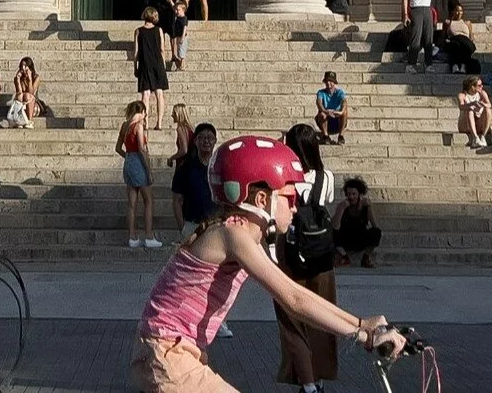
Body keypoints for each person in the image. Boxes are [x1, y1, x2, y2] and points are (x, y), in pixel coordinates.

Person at [128, 134, 407, 393]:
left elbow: (297, 293)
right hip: (167, 356)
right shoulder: (232, 234)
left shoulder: (238, 233)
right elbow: (294, 300)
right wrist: (363, 334)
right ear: (262, 200)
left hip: (171, 353)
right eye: (290, 198)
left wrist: (364, 325)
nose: (296, 207)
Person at [274, 125, 346, 393]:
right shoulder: (326, 176)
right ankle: (319, 376)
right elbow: (325, 202)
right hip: (320, 252)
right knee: (322, 315)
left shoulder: (286, 177)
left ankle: (306, 383)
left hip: (291, 250)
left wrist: (279, 148)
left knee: (291, 318)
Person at [121, 102, 160, 249]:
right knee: (148, 201)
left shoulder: (125, 126)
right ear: (142, 111)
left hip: (129, 161)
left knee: (132, 203)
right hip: (138, 162)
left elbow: (118, 147)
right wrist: (149, 171)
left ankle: (132, 236)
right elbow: (141, 149)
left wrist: (127, 157)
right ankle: (149, 236)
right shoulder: (138, 126)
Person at [171, 122, 219, 236]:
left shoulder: (220, 167)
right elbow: (177, 200)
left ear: (215, 141)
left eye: (210, 138)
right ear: (195, 141)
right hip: (192, 225)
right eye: (202, 137)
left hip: (216, 225)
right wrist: (182, 226)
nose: (206, 141)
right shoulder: (185, 167)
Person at [400, 0, 447, 71]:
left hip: (427, 10)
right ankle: (411, 64)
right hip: (416, 10)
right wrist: (405, 15)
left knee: (428, 38)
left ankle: (428, 63)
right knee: (415, 37)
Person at [134, 8, 171, 127]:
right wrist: (164, 64)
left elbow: (136, 52)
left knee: (146, 94)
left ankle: (146, 122)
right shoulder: (159, 30)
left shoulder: (138, 31)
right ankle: (159, 123)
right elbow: (162, 49)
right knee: (159, 93)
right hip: (158, 63)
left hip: (145, 64)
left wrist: (135, 66)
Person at [334, 177, 381, 269]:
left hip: (360, 237)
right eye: (349, 194)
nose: (351, 197)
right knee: (332, 233)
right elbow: (336, 227)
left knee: (376, 232)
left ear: (359, 194)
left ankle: (366, 258)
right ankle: (344, 257)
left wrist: (369, 207)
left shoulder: (365, 206)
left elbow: (375, 225)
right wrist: (341, 209)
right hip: (345, 239)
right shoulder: (342, 206)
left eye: (354, 194)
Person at [438, 6, 482, 75]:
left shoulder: (467, 23)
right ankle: (457, 65)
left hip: (465, 41)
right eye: (457, 10)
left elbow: (470, 35)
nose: (459, 13)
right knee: (457, 45)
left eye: (461, 11)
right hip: (454, 40)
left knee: (465, 46)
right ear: (453, 12)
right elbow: (444, 35)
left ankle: (461, 66)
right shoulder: (448, 22)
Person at [456, 75, 492, 150]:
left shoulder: (482, 93)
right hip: (466, 125)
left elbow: (489, 105)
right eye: (479, 85)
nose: (481, 86)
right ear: (472, 86)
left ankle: (483, 136)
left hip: (479, 122)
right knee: (470, 110)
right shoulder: (462, 95)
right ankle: (475, 137)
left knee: (488, 110)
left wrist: (482, 105)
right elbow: (461, 106)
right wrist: (472, 104)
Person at [314, 72, 349, 144]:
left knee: (345, 112)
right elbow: (319, 102)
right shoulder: (321, 92)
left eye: (330, 81)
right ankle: (326, 136)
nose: (328, 83)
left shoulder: (339, 92)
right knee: (322, 114)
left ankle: (341, 136)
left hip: (337, 120)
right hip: (325, 120)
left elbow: (344, 101)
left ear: (334, 82)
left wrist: (341, 111)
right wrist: (325, 111)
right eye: (326, 81)